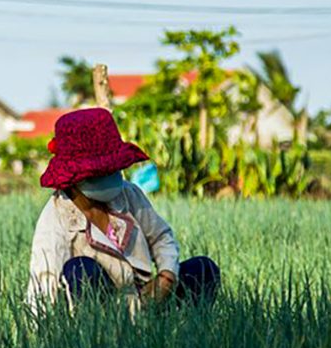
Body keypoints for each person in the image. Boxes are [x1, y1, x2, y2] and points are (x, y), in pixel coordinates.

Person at [27, 108, 220, 314]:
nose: (110, 177)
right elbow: (44, 280)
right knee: (80, 269)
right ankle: (103, 333)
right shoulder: (56, 216)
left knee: (203, 269)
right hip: (104, 309)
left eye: (113, 170)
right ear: (73, 179)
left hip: (146, 299)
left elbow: (161, 236)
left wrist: (166, 276)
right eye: (98, 173)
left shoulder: (128, 194)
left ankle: (179, 327)